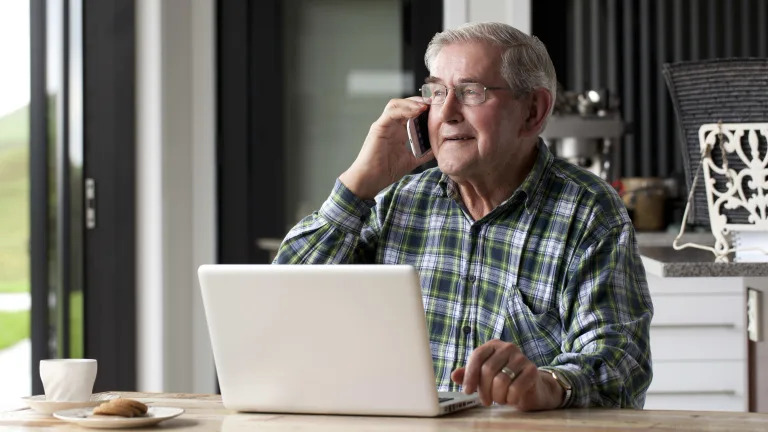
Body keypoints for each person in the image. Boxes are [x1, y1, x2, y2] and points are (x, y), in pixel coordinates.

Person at [275, 22, 653, 411]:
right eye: (437, 92)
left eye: (472, 92)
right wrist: (359, 184)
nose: (448, 113)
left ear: (533, 111)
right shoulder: (397, 201)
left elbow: (621, 365)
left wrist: (548, 385)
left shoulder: (588, 210)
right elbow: (281, 304)